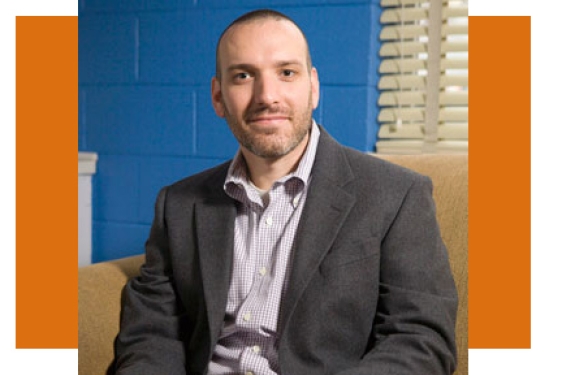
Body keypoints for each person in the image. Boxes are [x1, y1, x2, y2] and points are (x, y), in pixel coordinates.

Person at [112, 8, 458, 375]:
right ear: (218, 97)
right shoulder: (178, 204)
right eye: (243, 75)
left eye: (286, 73)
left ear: (313, 88)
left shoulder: (397, 195)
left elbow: (420, 339)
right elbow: (152, 331)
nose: (267, 95)